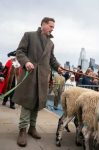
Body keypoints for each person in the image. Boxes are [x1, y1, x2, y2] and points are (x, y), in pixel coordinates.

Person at [12, 17, 63, 147]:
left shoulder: (51, 43)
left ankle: (32, 128)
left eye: (53, 27)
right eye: (51, 26)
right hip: (29, 74)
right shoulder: (28, 35)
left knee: (37, 102)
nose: (53, 29)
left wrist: (58, 66)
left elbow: (52, 58)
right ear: (44, 24)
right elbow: (20, 52)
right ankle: (22, 130)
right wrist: (26, 62)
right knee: (27, 102)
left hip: (42, 77)